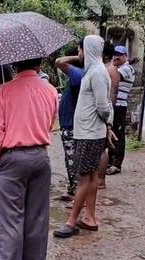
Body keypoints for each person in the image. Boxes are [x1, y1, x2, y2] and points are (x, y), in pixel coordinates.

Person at [0, 57, 58, 260]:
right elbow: (50, 124)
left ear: (15, 65)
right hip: (40, 158)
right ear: (39, 64)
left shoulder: (4, 91)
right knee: (37, 219)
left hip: (11, 160)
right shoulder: (51, 91)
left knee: (9, 221)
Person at [54, 35, 116, 239]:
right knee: (90, 177)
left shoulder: (97, 73)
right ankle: (89, 217)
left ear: (88, 49)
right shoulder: (93, 71)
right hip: (88, 132)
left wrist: (107, 121)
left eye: (81, 49)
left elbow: (103, 105)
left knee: (85, 178)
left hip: (90, 133)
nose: (79, 53)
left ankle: (71, 221)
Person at [55, 41, 85, 201]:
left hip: (71, 123)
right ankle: (73, 189)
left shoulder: (79, 74)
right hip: (70, 122)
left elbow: (59, 61)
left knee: (73, 159)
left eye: (80, 50)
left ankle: (75, 193)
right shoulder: (81, 74)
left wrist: (79, 57)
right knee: (71, 159)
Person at [106, 45, 136, 175]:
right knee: (111, 132)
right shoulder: (119, 67)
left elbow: (113, 76)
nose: (116, 57)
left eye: (119, 54)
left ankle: (117, 163)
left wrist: (110, 64)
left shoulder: (127, 69)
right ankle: (110, 161)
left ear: (126, 56)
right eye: (114, 54)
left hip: (119, 106)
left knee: (118, 134)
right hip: (114, 105)